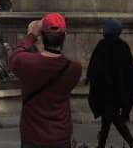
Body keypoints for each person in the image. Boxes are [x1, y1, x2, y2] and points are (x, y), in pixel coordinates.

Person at [10, 13, 82, 148]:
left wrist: (32, 35)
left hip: (32, 136)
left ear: (41, 36)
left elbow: (15, 56)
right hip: (60, 136)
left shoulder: (27, 63)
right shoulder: (74, 69)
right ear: (65, 36)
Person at [86, 19, 133, 148]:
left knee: (112, 117)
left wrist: (89, 79)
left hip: (104, 91)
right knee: (107, 119)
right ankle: (103, 144)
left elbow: (94, 67)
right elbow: (130, 66)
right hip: (118, 90)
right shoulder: (122, 45)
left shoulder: (102, 45)